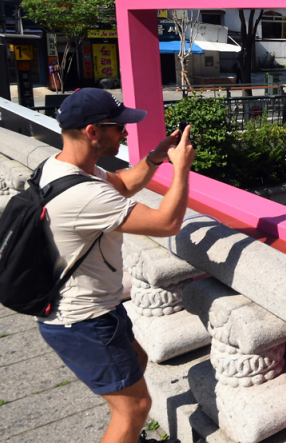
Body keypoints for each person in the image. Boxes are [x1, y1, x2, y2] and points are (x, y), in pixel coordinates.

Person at [35, 89, 196, 443]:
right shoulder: (85, 195)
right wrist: (182, 169)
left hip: (91, 307)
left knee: (136, 361)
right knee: (134, 408)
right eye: (118, 127)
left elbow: (122, 183)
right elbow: (167, 222)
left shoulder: (61, 168)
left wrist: (155, 158)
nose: (125, 132)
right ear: (92, 132)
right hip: (82, 319)